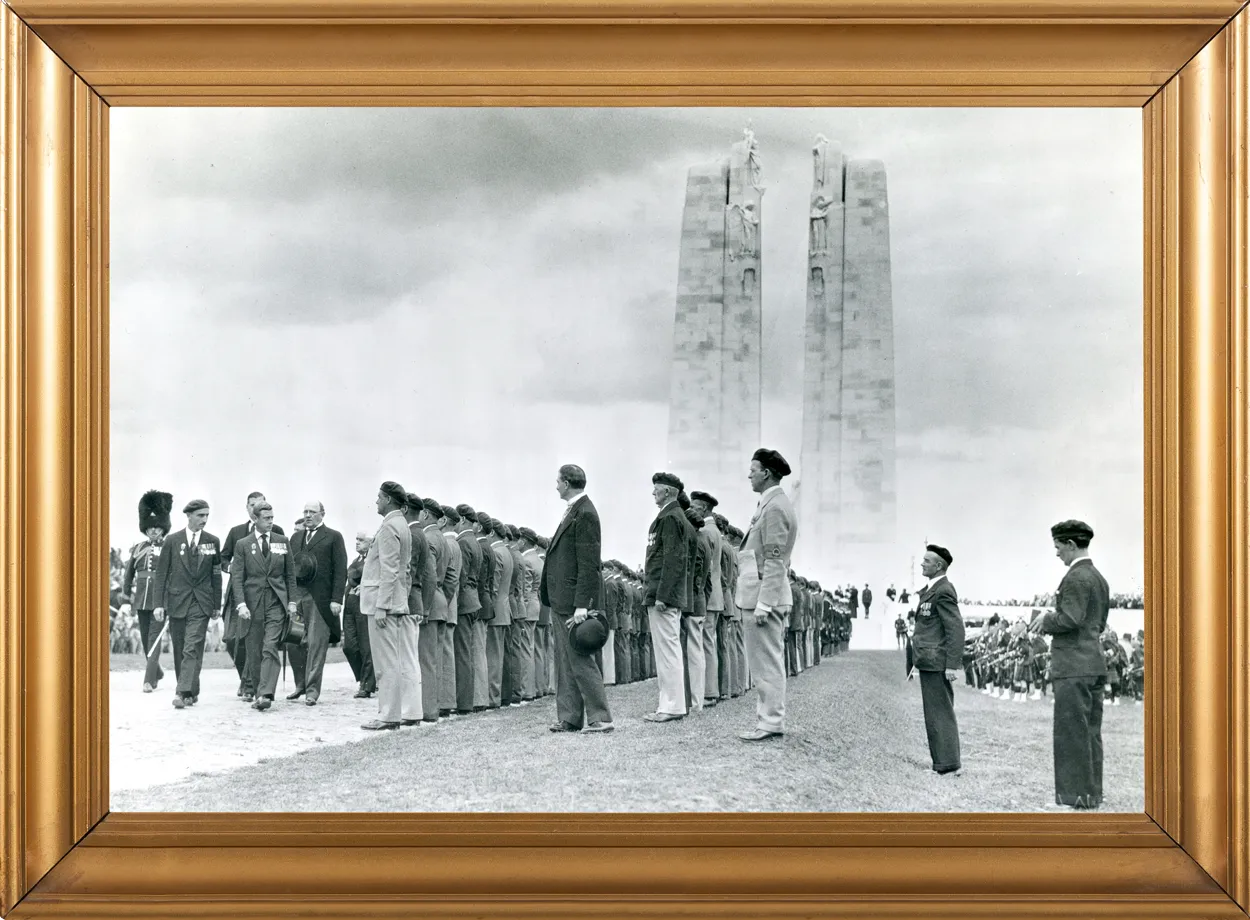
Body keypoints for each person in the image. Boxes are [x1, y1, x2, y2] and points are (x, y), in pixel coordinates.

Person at [1030, 519, 1110, 809]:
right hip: (1092, 663)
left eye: (1059, 547)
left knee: (1071, 733)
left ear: (1072, 545)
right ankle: (1090, 796)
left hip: (1073, 667)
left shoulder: (1075, 577)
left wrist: (1046, 619)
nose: (1057, 553)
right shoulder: (1098, 578)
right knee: (1090, 733)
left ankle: (1076, 797)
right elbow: (1098, 623)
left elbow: (1070, 618)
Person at [539, 463, 613, 733]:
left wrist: (582, 604)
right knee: (565, 661)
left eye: (558, 481)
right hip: (563, 599)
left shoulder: (585, 513)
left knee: (580, 658)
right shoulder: (576, 511)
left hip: (572, 602)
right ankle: (570, 718)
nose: (556, 486)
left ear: (567, 483)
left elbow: (589, 563)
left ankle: (600, 718)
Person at [735, 448, 798, 742]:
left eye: (753, 470)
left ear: (767, 473)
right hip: (760, 593)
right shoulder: (771, 503)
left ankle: (771, 721)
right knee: (763, 663)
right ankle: (768, 719)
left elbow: (774, 560)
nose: (749, 475)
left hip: (764, 596)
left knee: (767, 663)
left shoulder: (774, 508)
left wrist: (764, 603)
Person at [152, 498, 224, 709]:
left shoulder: (213, 541)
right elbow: (161, 574)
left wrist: (216, 604)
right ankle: (191, 691)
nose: (204, 519)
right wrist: (158, 604)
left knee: (192, 646)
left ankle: (181, 691)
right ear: (189, 516)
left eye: (207, 515)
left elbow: (216, 575)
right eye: (200, 515)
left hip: (201, 603)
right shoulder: (172, 541)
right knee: (181, 649)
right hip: (177, 602)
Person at [229, 501, 298, 712]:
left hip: (276, 602)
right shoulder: (242, 544)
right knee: (255, 650)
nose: (270, 522)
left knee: (270, 646)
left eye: (272, 518)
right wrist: (241, 604)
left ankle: (266, 693)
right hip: (252, 605)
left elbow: (290, 575)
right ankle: (259, 693)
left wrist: (292, 602)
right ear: (255, 519)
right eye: (266, 518)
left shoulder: (282, 541)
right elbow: (237, 577)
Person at [360, 481, 416, 731]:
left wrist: (382, 605)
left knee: (386, 663)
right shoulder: (401, 525)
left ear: (389, 500)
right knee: (393, 661)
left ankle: (388, 715)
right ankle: (391, 713)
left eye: (379, 497)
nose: (376, 501)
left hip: (383, 606)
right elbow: (403, 570)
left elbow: (390, 569)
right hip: (395, 602)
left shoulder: (389, 527)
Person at [220, 492, 285, 696]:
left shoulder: (277, 532)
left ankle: (251, 686)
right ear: (248, 509)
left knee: (262, 642)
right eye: (252, 504)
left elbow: (284, 565)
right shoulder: (236, 532)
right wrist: (230, 567)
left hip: (268, 595)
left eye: (261, 503)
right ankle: (245, 678)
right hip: (240, 594)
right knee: (232, 639)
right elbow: (223, 558)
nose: (256, 506)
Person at [909, 544, 965, 774]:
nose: (922, 564)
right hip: (928, 660)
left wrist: (952, 665)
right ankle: (943, 763)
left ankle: (948, 765)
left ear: (939, 565)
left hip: (936, 661)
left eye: (926, 561)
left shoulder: (943, 590)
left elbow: (956, 629)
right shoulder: (932, 589)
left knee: (940, 712)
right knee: (935, 713)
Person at [286, 500, 348, 705]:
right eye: (305, 511)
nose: (307, 515)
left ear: (322, 514)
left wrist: (336, 599)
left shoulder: (333, 537)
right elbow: (289, 570)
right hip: (298, 597)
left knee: (315, 644)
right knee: (294, 641)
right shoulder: (295, 538)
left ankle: (312, 691)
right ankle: (300, 685)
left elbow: (340, 570)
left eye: (312, 512)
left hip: (320, 600)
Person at [643, 471, 692, 723]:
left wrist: (662, 595)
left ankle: (671, 706)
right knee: (665, 652)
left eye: (657, 488)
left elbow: (673, 559)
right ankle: (669, 704)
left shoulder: (671, 517)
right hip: (661, 595)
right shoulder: (669, 515)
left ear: (668, 492)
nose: (653, 492)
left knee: (668, 652)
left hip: (663, 597)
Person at [123, 490, 173, 693]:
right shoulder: (138, 548)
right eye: (150, 527)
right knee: (145, 641)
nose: (153, 530)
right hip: (141, 600)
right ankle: (157, 671)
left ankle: (148, 680)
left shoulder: (169, 546)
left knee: (154, 639)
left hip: (161, 600)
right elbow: (129, 575)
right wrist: (126, 598)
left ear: (163, 528)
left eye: (157, 527)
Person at [451, 504, 484, 714]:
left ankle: (463, 703)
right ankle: (467, 700)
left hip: (464, 601)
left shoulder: (463, 542)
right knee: (467, 652)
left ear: (463, 519)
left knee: (462, 653)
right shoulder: (475, 542)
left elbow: (460, 577)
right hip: (473, 600)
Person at [342, 531, 377, 698]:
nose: (357, 542)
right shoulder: (356, 560)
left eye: (361, 540)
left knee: (366, 646)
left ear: (371, 543)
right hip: (350, 604)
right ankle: (363, 678)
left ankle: (367, 685)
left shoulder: (374, 560)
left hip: (365, 605)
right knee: (349, 646)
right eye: (356, 539)